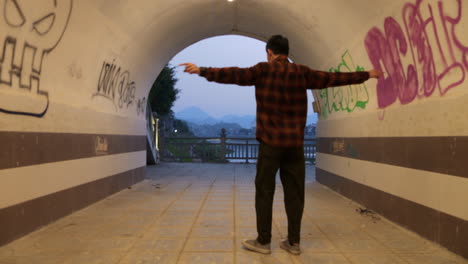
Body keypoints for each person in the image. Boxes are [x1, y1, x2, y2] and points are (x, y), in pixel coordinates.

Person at [180, 35, 383, 255]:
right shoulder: (302, 73)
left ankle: (263, 242)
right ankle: (293, 243)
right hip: (295, 145)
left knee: (265, 192)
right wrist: (368, 75)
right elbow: (332, 78)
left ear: (269, 52)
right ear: (287, 52)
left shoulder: (263, 70)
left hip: (270, 144)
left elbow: (234, 75)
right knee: (295, 193)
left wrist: (202, 70)